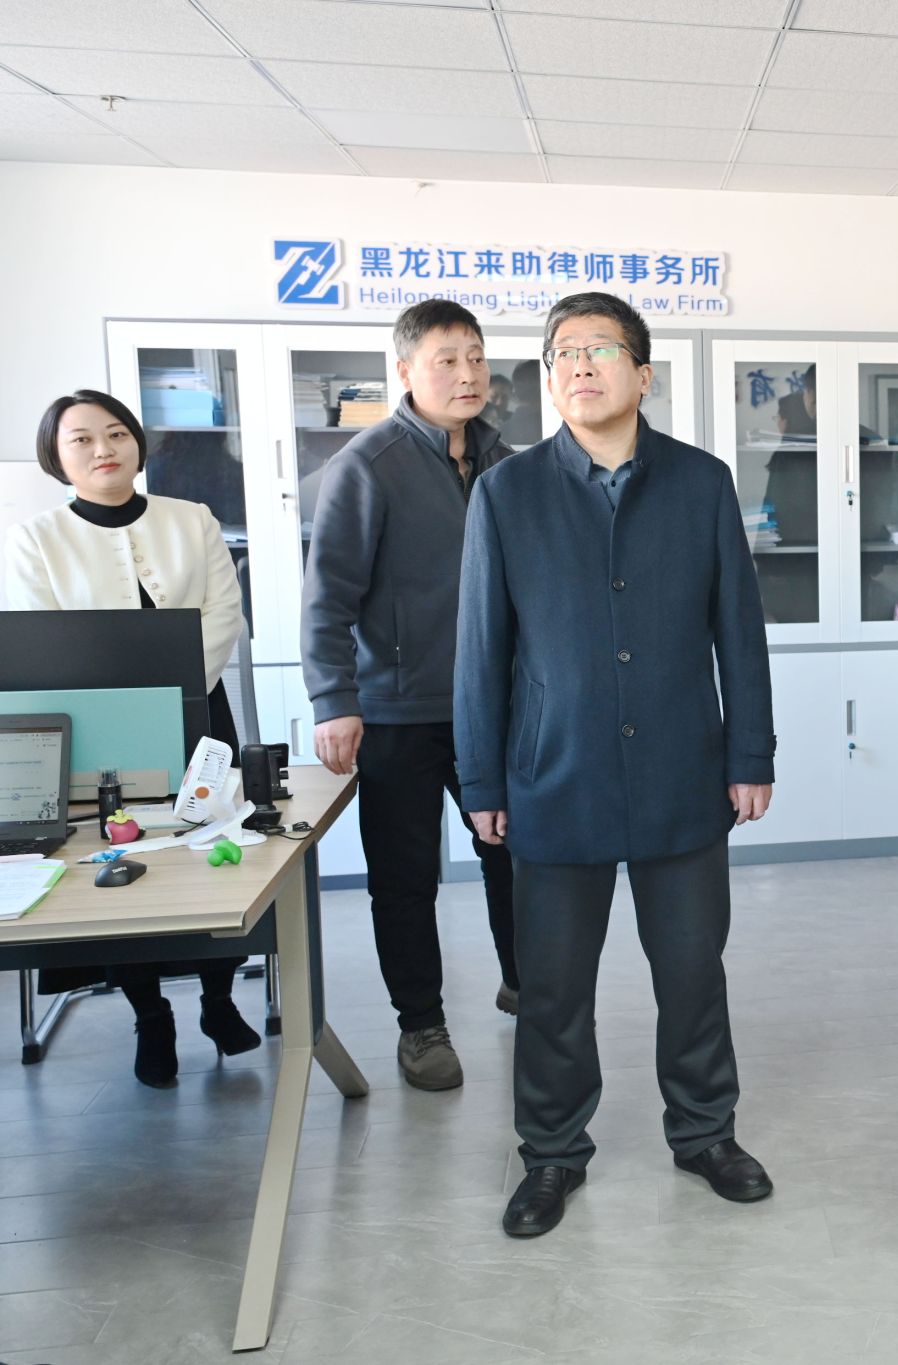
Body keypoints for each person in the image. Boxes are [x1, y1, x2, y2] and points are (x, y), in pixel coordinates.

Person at [456, 292, 777, 1239]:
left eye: (600, 349)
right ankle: (552, 1151)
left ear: (643, 372)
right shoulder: (506, 494)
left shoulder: (701, 482)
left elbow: (739, 631)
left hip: (684, 769)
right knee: (554, 986)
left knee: (692, 970)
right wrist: (482, 780)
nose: (580, 365)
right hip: (555, 774)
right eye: (563, 353)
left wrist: (750, 752)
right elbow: (480, 650)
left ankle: (706, 1132)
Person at [4, 390, 262, 1087]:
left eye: (116, 433)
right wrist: (133, 707)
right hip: (101, 730)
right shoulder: (36, 538)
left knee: (218, 852)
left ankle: (218, 999)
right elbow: (45, 640)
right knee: (118, 869)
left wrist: (177, 691)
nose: (103, 449)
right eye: (81, 439)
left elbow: (223, 611)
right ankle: (151, 1015)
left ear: (138, 443)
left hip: (198, 712)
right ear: (56, 457)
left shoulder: (192, 519)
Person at [302, 299, 522, 1093]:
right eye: (446, 359)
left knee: (518, 855)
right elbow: (328, 594)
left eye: (476, 357)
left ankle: (527, 985)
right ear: (405, 370)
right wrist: (335, 698)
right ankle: (421, 1024)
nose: (467, 374)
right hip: (398, 709)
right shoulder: (368, 464)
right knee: (404, 877)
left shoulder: (507, 463)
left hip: (496, 706)